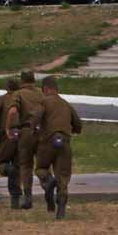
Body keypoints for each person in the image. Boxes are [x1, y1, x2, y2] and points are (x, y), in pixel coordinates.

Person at [34, 75, 83, 219]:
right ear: (57, 89)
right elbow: (78, 125)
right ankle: (61, 209)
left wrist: (34, 129)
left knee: (41, 168)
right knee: (63, 176)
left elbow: (36, 118)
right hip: (64, 142)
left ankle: (49, 181)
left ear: (45, 89)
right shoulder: (66, 104)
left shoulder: (43, 102)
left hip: (48, 141)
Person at [7, 69, 46, 210]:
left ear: (22, 81)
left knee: (26, 165)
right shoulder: (41, 94)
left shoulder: (18, 94)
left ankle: (28, 197)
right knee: (43, 164)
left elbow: (12, 111)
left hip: (26, 133)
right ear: (34, 79)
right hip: (41, 132)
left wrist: (9, 128)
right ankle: (48, 185)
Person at [0, 75, 21, 202]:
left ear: (7, 87)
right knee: (18, 167)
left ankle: (8, 169)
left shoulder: (2, 99)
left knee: (0, 163)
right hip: (23, 135)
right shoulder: (23, 99)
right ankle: (15, 200)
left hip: (8, 135)